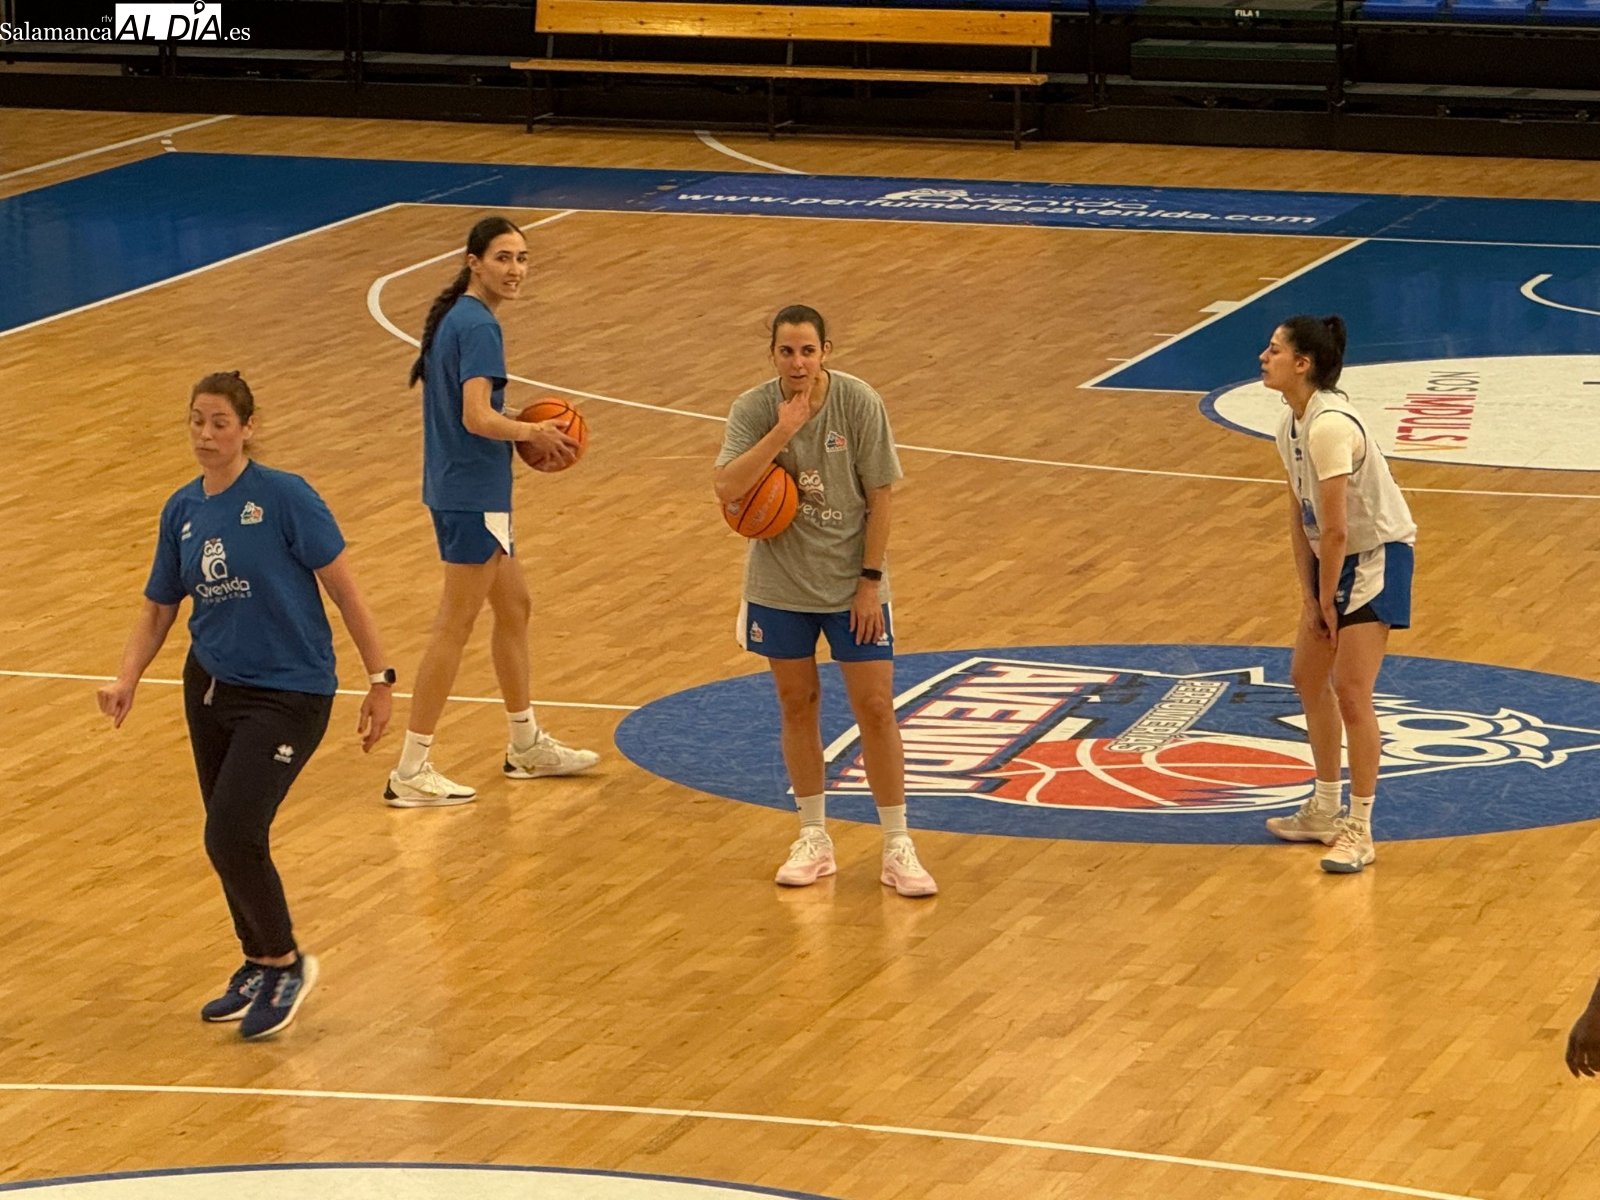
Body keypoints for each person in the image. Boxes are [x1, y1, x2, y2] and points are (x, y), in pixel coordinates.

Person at [97, 372, 394, 1040]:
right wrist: (126, 679)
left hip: (291, 692)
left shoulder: (286, 497)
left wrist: (381, 677)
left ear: (249, 428)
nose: (206, 435)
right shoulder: (182, 511)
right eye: (196, 421)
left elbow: (346, 592)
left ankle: (286, 962)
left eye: (220, 423)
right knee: (232, 834)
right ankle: (257, 960)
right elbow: (158, 607)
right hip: (210, 686)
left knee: (230, 830)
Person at [712, 305, 937, 897]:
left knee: (878, 707)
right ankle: (813, 835)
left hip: (851, 586)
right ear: (773, 355)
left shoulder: (859, 402)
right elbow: (727, 486)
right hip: (779, 584)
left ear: (826, 351)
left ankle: (897, 843)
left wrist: (869, 583)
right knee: (796, 703)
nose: (798, 362)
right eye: (786, 351)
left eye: (807, 351)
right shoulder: (753, 409)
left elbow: (881, 499)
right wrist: (783, 430)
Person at [384, 215, 599, 807]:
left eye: (522, 259)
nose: (515, 269)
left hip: (466, 491)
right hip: (471, 496)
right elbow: (477, 416)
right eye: (503, 257)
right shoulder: (477, 326)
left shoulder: (460, 318)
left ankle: (525, 742)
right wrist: (535, 432)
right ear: (473, 261)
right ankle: (410, 768)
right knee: (453, 627)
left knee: (516, 606)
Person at [1258, 315, 1417, 874]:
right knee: (1306, 676)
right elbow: (1298, 517)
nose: (1263, 355)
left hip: (1375, 559)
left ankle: (1361, 827)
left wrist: (1328, 600)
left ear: (1303, 364)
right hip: (1331, 561)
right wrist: (1309, 597)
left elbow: (1337, 529)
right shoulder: (1290, 424)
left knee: (1352, 692)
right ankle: (1324, 808)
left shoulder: (1330, 426)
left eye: (1274, 349)